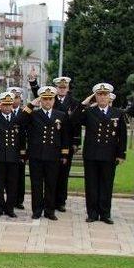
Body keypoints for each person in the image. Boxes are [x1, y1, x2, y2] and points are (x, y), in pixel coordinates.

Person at [71, 83, 127, 224]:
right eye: (99, 95)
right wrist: (84, 104)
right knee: (91, 185)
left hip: (109, 155)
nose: (102, 97)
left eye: (105, 95)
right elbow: (73, 120)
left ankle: (105, 213)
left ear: (109, 97)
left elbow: (123, 136)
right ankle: (92, 213)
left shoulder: (117, 113)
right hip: (92, 154)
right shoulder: (89, 112)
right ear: (95, 96)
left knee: (107, 185)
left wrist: (121, 154)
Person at [29, 72, 81, 212]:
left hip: (62, 145)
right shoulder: (50, 99)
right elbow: (38, 95)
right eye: (60, 87)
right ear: (56, 88)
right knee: (43, 181)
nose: (62, 89)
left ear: (68, 88)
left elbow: (75, 124)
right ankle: (41, 207)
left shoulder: (74, 102)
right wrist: (33, 81)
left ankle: (60, 202)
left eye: (65, 87)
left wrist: (76, 142)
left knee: (62, 176)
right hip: (43, 148)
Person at [17, 86, 70, 221]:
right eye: (44, 99)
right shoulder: (33, 114)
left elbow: (65, 137)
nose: (47, 102)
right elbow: (19, 121)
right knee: (36, 184)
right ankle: (37, 210)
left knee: (51, 184)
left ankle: (49, 210)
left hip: (53, 155)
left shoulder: (61, 115)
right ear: (40, 100)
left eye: (50, 99)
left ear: (54, 100)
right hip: (36, 155)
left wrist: (64, 154)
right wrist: (30, 105)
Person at [7, 87, 28, 210]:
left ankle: (19, 200)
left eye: (18, 97)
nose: (16, 100)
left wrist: (23, 152)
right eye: (13, 97)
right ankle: (10, 199)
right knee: (8, 178)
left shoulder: (24, 113)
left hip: (20, 149)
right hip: (8, 150)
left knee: (20, 177)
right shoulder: (3, 112)